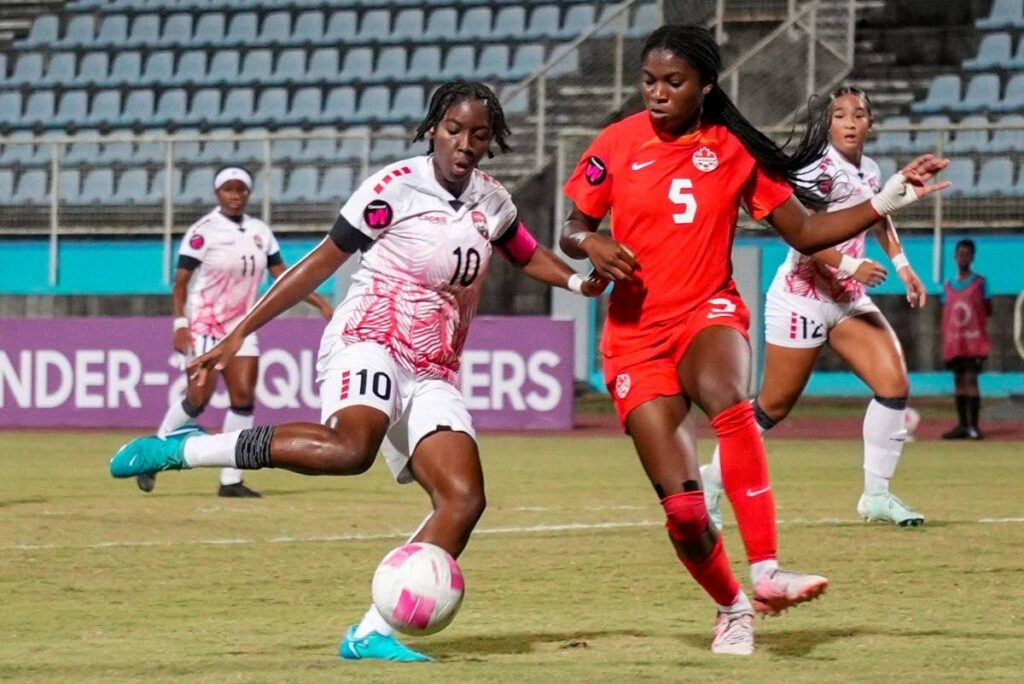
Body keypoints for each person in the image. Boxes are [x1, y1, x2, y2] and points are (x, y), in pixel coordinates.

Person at [110, 81, 607, 662]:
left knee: (463, 500)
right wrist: (242, 330)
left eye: (479, 135)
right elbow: (320, 261)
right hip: (370, 337)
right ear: (432, 130)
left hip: (434, 366)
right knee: (352, 449)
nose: (465, 144)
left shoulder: (492, 201)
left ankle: (371, 632)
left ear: (491, 142)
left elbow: (525, 253)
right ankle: (183, 449)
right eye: (454, 130)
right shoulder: (393, 188)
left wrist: (578, 281)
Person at [560, 25, 949, 655]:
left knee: (729, 398)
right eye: (649, 81)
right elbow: (572, 226)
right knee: (686, 518)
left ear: (705, 87)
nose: (657, 94)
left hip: (707, 311)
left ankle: (767, 570)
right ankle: (732, 606)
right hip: (633, 337)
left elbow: (808, 230)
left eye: (673, 83)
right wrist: (591, 243)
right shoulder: (615, 143)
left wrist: (886, 199)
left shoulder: (732, 150)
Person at [701, 86, 928, 529]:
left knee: (894, 383)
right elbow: (798, 233)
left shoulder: (870, 169)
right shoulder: (815, 170)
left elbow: (878, 216)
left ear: (869, 124)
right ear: (827, 124)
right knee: (772, 408)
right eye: (839, 114)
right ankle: (710, 486)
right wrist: (849, 263)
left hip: (845, 297)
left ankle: (876, 496)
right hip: (801, 297)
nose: (848, 121)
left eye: (857, 114)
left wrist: (903, 267)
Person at [136, 167, 334, 498]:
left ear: (248, 193)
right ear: (217, 193)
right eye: (228, 189)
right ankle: (151, 456)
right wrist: (181, 324)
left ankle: (231, 479)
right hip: (205, 326)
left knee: (243, 399)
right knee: (198, 399)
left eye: (241, 189)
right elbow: (182, 282)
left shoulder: (260, 231)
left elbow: (282, 276)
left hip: (243, 327)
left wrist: (320, 304)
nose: (235, 194)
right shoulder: (203, 231)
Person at [941, 238, 991, 439]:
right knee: (958, 381)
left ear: (972, 257)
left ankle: (974, 426)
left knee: (971, 380)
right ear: (955, 257)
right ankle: (962, 424)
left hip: (973, 341)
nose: (963, 257)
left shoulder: (981, 283)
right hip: (955, 342)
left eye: (967, 254)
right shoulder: (948, 286)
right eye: (960, 254)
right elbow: (946, 313)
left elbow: (988, 309)